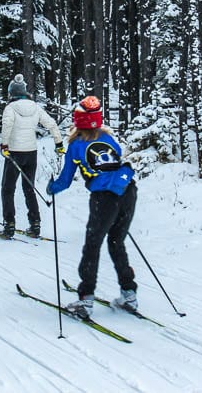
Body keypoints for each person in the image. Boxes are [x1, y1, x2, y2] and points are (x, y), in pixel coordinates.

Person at [46, 95, 138, 319]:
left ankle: (85, 300)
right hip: (128, 190)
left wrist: (52, 188)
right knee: (117, 243)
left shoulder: (76, 146)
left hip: (104, 198)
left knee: (92, 245)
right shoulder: (109, 138)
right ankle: (129, 294)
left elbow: (65, 180)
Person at [0, 74, 64, 239]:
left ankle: (9, 225)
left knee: (8, 189)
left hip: (14, 151)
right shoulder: (35, 107)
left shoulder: (11, 108)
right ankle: (35, 225)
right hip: (31, 153)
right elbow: (52, 124)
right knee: (29, 188)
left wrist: (4, 145)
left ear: (11, 93)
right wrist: (59, 144)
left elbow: (7, 125)